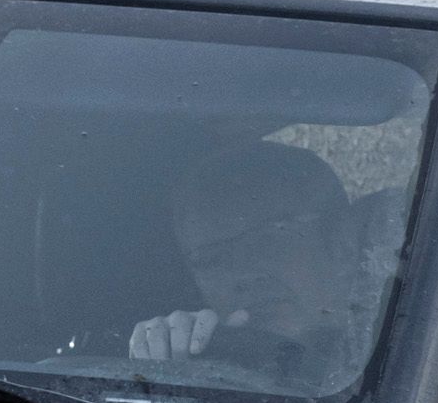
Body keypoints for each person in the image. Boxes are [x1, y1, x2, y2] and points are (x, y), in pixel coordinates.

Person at [125, 139, 369, 380]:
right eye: (212, 260)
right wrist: (172, 367)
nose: (239, 276)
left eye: (263, 243)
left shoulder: (400, 369)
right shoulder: (208, 365)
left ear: (342, 246)